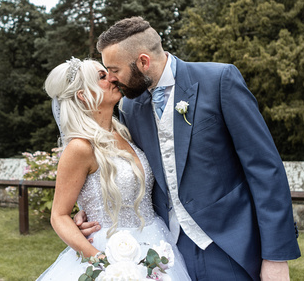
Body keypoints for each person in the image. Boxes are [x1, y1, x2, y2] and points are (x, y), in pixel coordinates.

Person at [78, 16, 301, 280]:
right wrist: (89, 211)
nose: (112, 79)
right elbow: (131, 169)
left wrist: (276, 255)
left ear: (143, 62)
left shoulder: (219, 80)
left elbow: (265, 169)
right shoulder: (129, 107)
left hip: (229, 246)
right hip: (164, 252)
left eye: (114, 69)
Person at [37, 57, 191, 280]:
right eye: (101, 76)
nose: (112, 78)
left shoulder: (125, 133)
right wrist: (101, 261)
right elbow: (59, 215)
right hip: (107, 252)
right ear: (84, 94)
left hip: (154, 242)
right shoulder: (80, 148)